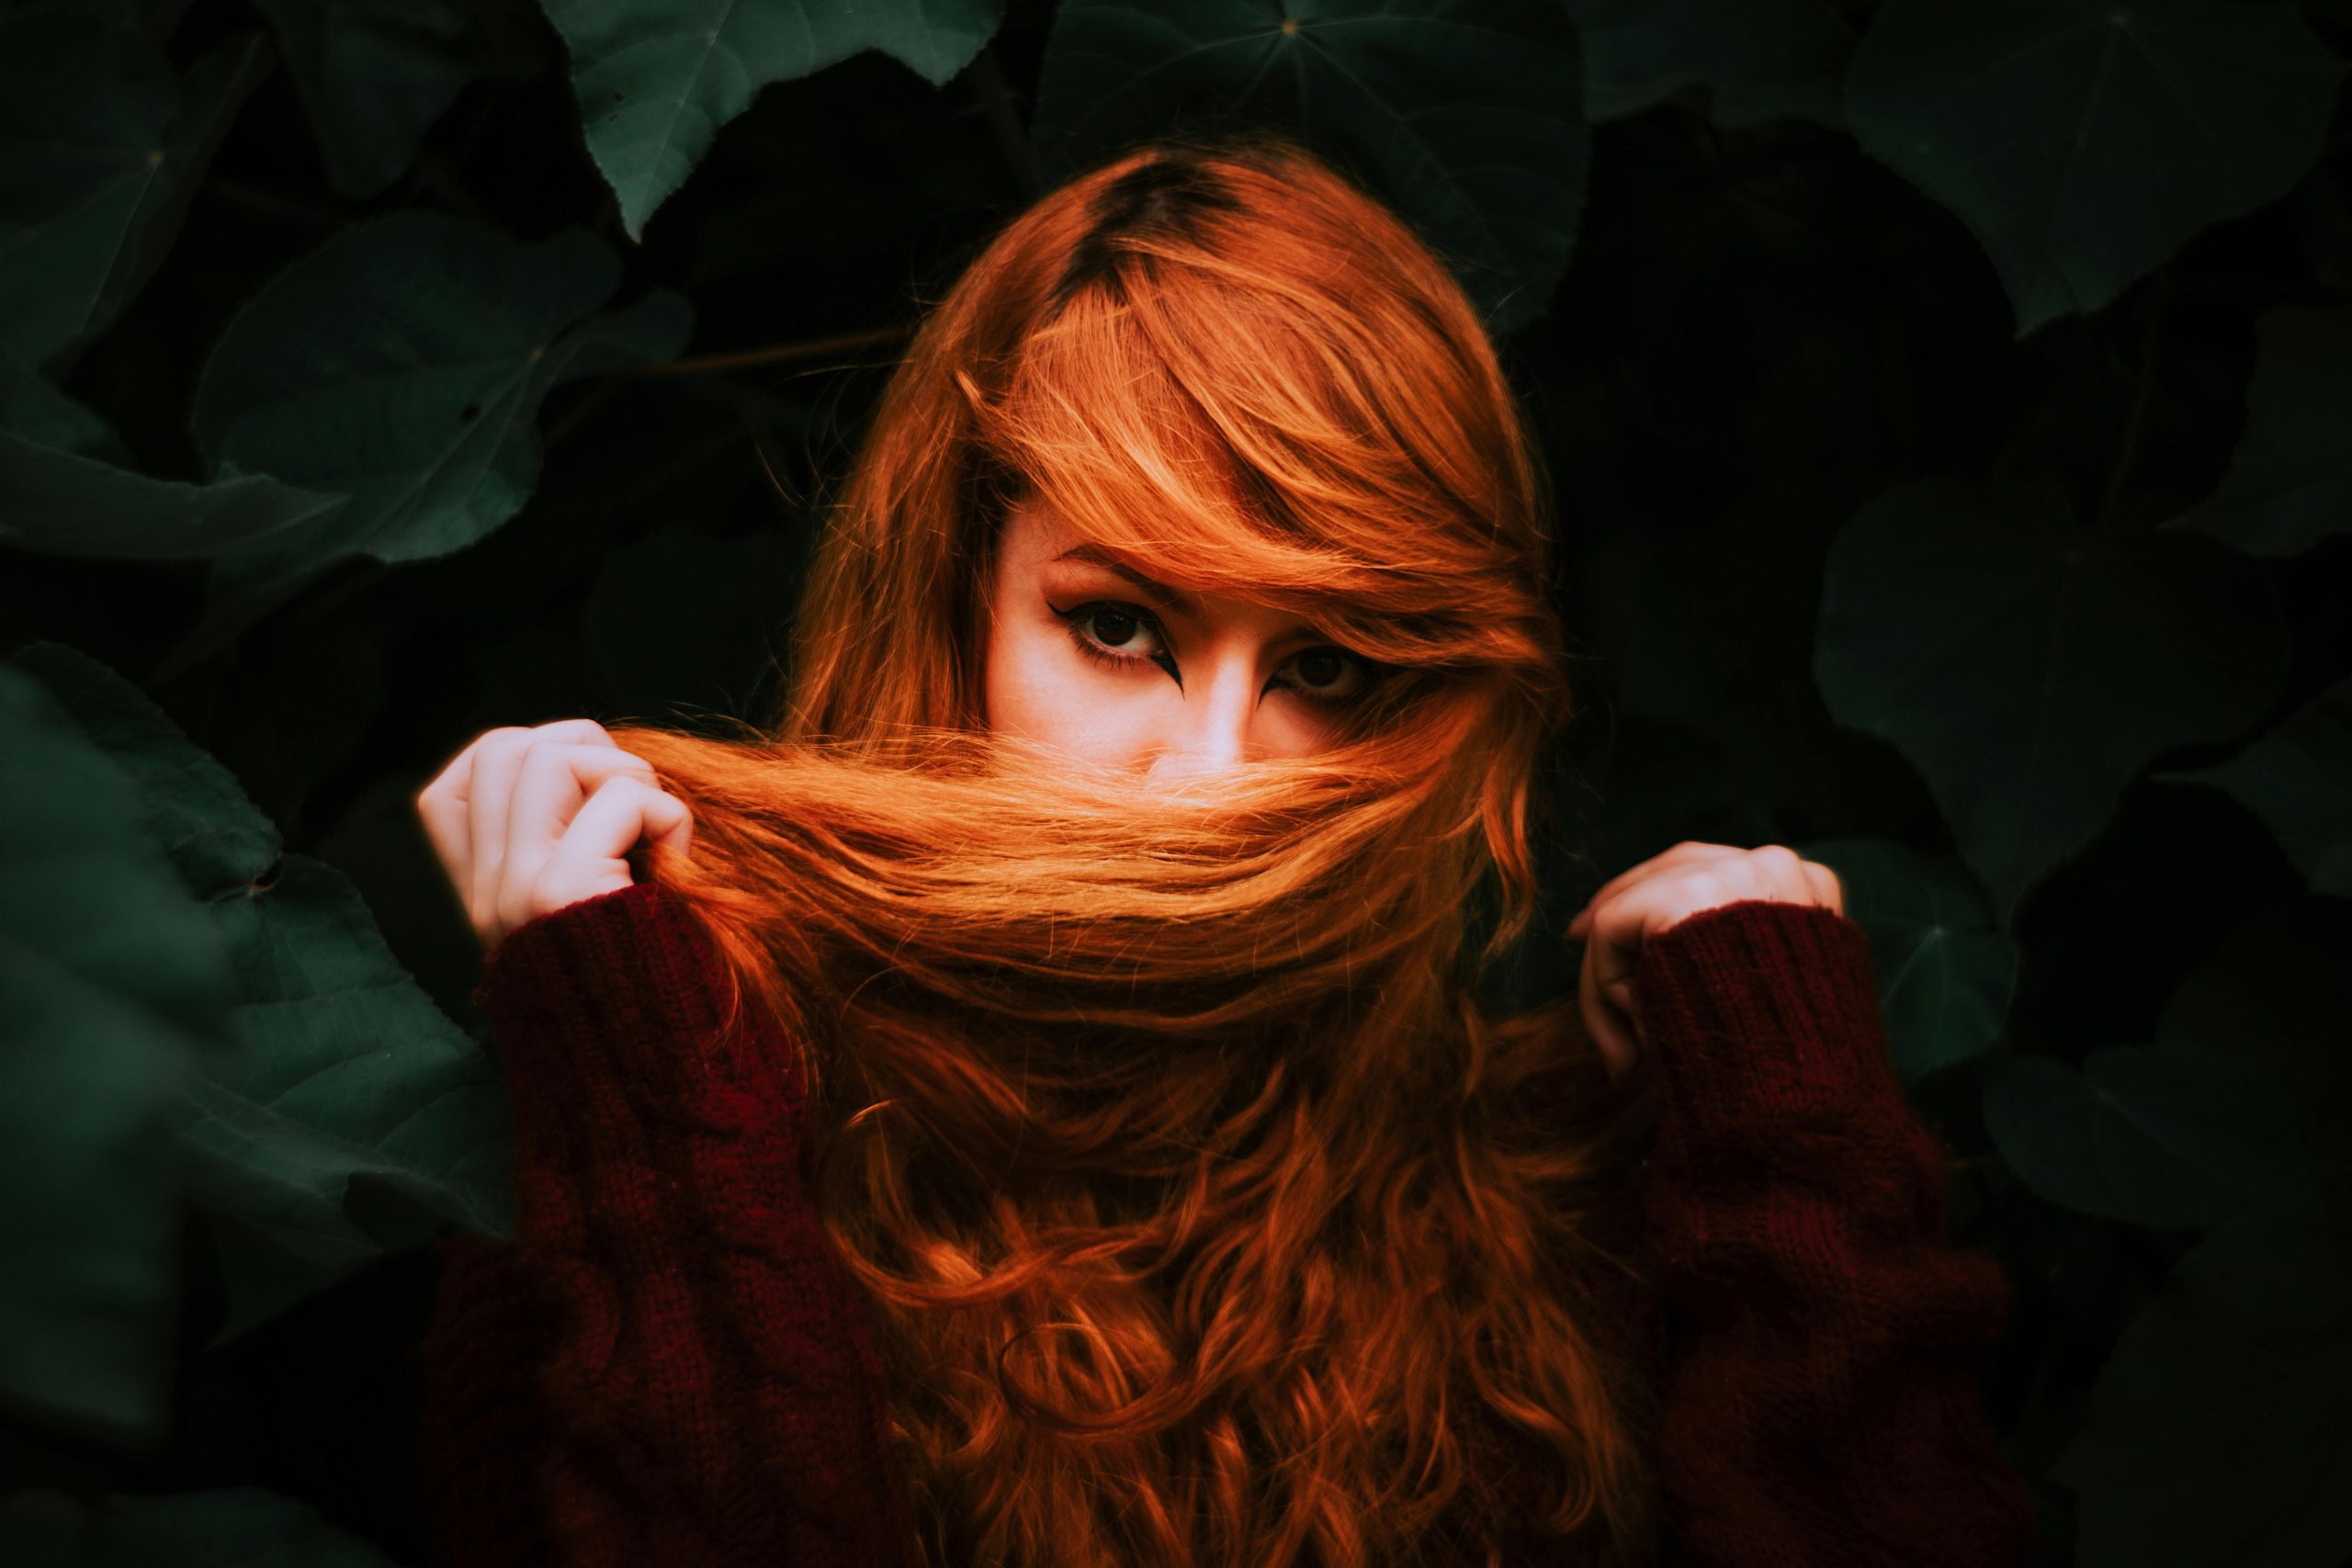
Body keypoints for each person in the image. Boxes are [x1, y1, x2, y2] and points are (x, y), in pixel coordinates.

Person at [412, 132, 2038, 1567]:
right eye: (1120, 627)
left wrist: (1778, 1125)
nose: (1209, 777)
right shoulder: (673, 1149)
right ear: (956, 600)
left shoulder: (1558, 1187)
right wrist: (640, 1109)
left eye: (1324, 669)